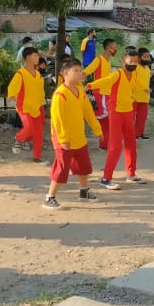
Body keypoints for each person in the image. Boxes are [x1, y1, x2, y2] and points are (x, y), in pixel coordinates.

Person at [45, 59, 103, 209]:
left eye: (80, 70)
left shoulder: (80, 91)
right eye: (75, 71)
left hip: (79, 137)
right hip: (64, 139)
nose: (79, 73)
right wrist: (63, 139)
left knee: (84, 166)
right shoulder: (60, 94)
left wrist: (97, 129)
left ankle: (84, 191)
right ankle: (50, 197)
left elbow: (88, 112)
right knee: (61, 168)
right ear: (65, 74)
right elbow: (57, 120)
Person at [88, 47, 146, 189]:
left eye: (135, 61)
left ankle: (131, 174)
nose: (133, 63)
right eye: (130, 61)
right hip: (116, 112)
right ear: (123, 61)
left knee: (131, 144)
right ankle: (106, 178)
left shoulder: (135, 75)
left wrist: (144, 89)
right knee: (115, 146)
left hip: (128, 112)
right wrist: (89, 86)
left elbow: (138, 85)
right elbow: (104, 81)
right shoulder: (118, 74)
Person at [8, 46, 46, 163]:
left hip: (38, 106)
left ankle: (37, 158)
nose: (38, 57)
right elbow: (12, 87)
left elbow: (41, 91)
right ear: (28, 57)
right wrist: (11, 96)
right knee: (29, 127)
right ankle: (18, 138)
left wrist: (43, 105)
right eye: (36, 55)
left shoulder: (39, 75)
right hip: (24, 106)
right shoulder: (21, 73)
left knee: (39, 133)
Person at [84, 38, 117, 149]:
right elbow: (89, 69)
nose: (115, 49)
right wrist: (80, 76)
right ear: (108, 48)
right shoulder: (99, 59)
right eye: (114, 47)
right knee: (104, 115)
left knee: (106, 120)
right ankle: (88, 117)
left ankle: (105, 143)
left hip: (106, 92)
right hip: (99, 91)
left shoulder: (108, 61)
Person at [133, 49, 153, 140]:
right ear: (139, 58)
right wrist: (143, 88)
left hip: (144, 97)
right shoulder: (135, 68)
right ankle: (132, 134)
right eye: (144, 57)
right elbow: (134, 81)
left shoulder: (148, 69)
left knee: (142, 117)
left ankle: (139, 133)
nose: (147, 58)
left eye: (148, 56)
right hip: (135, 97)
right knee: (132, 117)